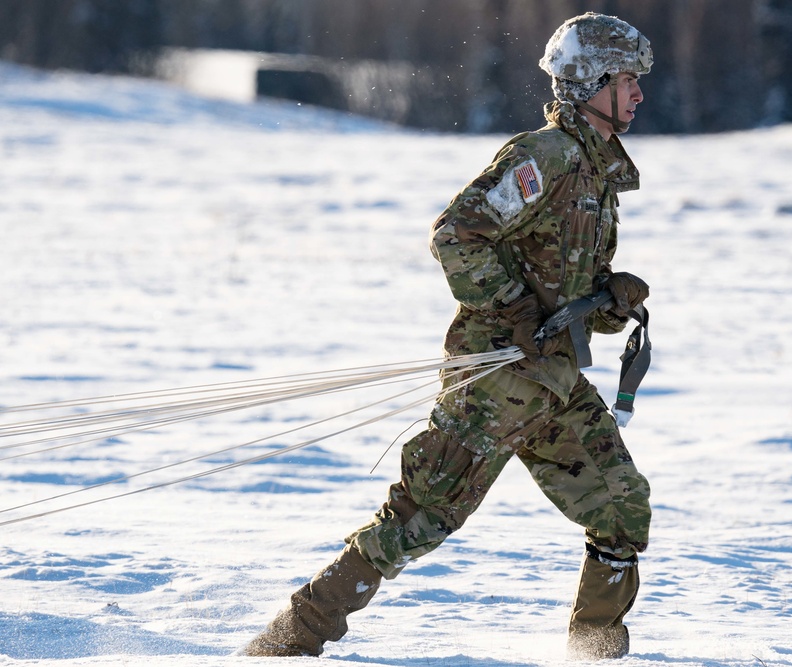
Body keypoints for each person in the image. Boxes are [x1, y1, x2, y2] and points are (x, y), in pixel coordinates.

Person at [242, 12, 654, 661]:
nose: (637, 93)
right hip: (495, 383)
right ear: (593, 81)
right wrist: (514, 308)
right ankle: (285, 642)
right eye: (629, 79)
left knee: (621, 508)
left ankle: (595, 653)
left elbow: (559, 278)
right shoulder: (542, 159)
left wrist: (607, 299)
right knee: (417, 521)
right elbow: (457, 235)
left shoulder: (596, 173)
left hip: (554, 384)